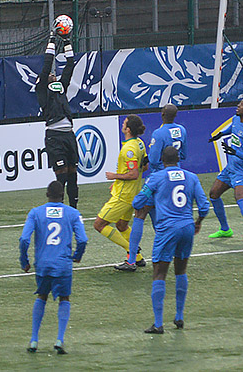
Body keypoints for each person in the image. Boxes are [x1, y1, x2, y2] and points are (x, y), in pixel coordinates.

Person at [131, 147, 209, 333]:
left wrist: (147, 200)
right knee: (181, 270)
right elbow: (204, 206)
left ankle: (158, 324)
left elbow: (137, 202)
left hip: (167, 229)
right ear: (178, 160)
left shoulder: (156, 178)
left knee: (159, 272)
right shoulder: (191, 177)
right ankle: (179, 316)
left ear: (162, 160)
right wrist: (198, 221)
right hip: (187, 227)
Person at [116, 103, 188, 271]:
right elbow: (183, 154)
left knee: (140, 212)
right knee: (158, 218)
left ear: (162, 114)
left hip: (159, 179)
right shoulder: (182, 130)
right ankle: (172, 252)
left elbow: (154, 160)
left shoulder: (159, 133)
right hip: (175, 176)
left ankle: (132, 260)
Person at [20, 180, 88, 355]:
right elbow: (82, 239)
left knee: (41, 296)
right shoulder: (72, 213)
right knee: (64, 298)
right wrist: (77, 256)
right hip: (63, 265)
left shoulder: (35, 213)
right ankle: (59, 339)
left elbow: (24, 239)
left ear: (46, 194)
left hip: (43, 264)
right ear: (63, 196)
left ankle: (34, 340)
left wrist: (24, 261)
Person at [93, 115, 147, 265]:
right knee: (121, 225)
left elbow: (133, 174)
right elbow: (145, 166)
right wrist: (118, 180)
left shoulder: (129, 149)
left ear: (128, 129)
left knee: (99, 224)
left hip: (123, 196)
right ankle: (138, 258)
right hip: (133, 193)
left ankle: (132, 250)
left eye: (124, 123)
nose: (122, 125)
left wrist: (114, 176)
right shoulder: (139, 143)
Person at [207, 97, 243, 243]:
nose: (238, 105)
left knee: (240, 197)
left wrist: (235, 152)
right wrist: (221, 134)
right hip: (230, 167)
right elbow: (232, 128)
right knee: (213, 194)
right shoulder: (236, 119)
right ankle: (225, 229)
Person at [36, 30, 79, 208]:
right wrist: (52, 41)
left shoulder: (61, 88)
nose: (52, 74)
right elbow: (46, 66)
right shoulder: (42, 92)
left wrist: (66, 41)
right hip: (54, 137)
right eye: (49, 76)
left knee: (73, 176)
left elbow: (70, 64)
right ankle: (59, 208)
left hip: (69, 135)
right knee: (61, 176)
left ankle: (74, 211)